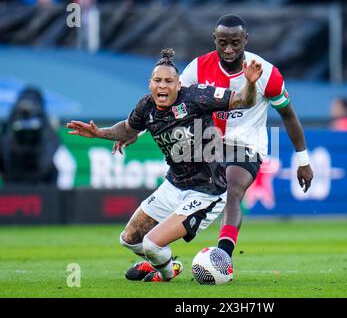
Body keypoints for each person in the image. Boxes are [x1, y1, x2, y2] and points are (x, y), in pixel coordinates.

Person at [113, 14, 314, 260]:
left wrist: (303, 160)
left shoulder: (267, 73)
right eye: (223, 42)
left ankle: (223, 257)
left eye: (235, 43)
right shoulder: (197, 69)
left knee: (233, 187)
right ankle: (161, 260)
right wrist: (136, 131)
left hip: (245, 144)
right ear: (215, 40)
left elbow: (289, 115)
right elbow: (167, 101)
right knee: (140, 228)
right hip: (208, 145)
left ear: (246, 40)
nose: (229, 49)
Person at [67, 48, 263, 282]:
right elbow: (128, 129)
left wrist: (250, 83)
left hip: (208, 191)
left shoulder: (197, 97)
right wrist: (100, 133)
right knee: (129, 239)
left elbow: (243, 100)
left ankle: (166, 273)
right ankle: (165, 262)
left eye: (169, 81)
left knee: (151, 244)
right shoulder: (146, 106)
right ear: (150, 84)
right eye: (157, 80)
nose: (163, 86)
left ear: (179, 84)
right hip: (174, 184)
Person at [0, 86, 60, 185]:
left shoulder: (45, 129)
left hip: (43, 190)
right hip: (12, 190)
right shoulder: (9, 128)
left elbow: (46, 161)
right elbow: (5, 157)